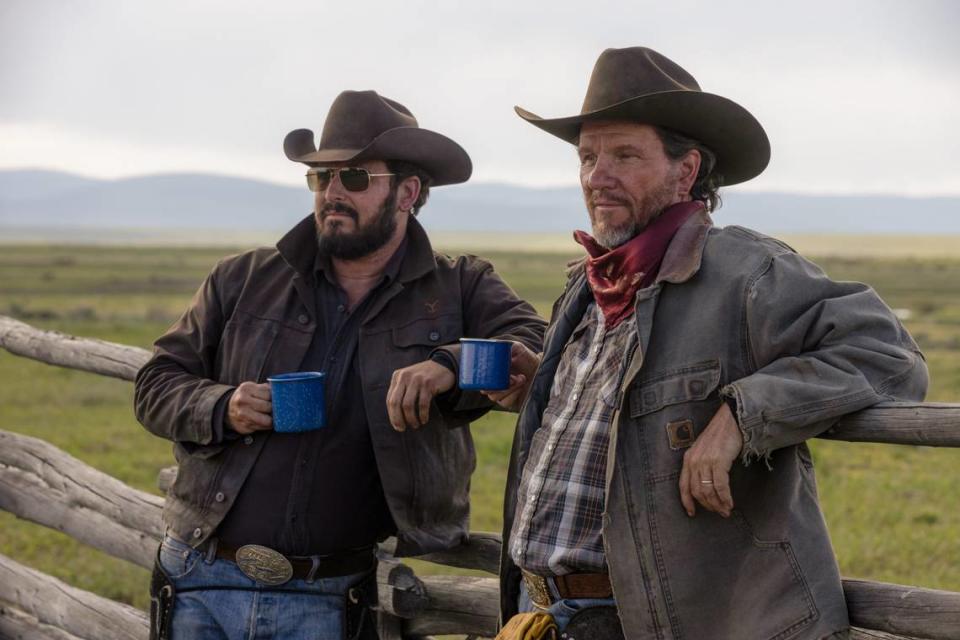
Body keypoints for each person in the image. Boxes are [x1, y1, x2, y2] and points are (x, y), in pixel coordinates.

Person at [492, 47, 928, 640]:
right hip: (542, 610)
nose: (597, 177)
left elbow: (890, 355)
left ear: (686, 170)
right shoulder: (590, 286)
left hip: (645, 621)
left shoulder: (748, 274)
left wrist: (741, 416)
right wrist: (544, 382)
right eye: (587, 157)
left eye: (624, 155)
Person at [134, 89, 546, 640]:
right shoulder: (243, 278)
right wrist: (223, 405)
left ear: (408, 192)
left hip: (328, 595)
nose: (332, 192)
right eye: (320, 178)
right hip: (200, 580)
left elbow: (533, 341)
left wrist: (448, 365)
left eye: (354, 178)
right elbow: (156, 385)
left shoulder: (459, 286)